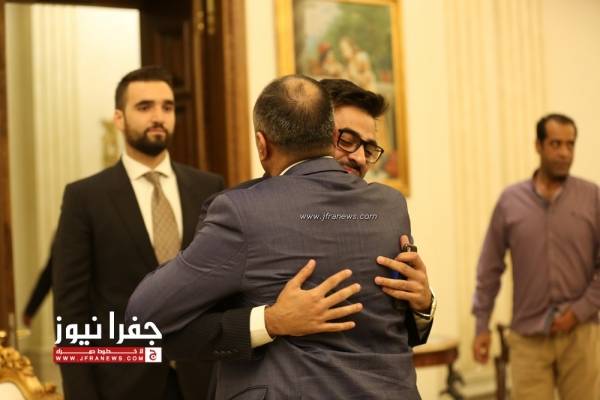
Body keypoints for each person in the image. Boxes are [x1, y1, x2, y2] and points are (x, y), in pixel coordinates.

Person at [127, 75, 423, 399]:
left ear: (262, 144)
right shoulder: (391, 205)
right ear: (330, 135)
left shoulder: (243, 212)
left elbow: (143, 316)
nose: (359, 158)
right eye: (349, 141)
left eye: (368, 148)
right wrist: (269, 321)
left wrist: (423, 304)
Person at [52, 66, 225, 400]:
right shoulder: (84, 198)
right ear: (119, 118)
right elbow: (70, 309)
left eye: (167, 107)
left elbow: (223, 287)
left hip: (202, 380)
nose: (158, 117)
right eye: (144, 107)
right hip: (123, 384)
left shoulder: (208, 187)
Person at [472, 113, 600, 400]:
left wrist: (578, 311)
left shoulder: (592, 197)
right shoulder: (510, 202)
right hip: (528, 338)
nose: (564, 152)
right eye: (555, 144)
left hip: (581, 335)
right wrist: (482, 325)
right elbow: (489, 268)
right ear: (538, 146)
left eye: (570, 144)